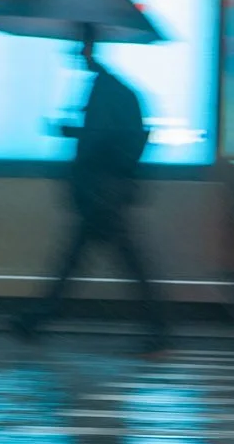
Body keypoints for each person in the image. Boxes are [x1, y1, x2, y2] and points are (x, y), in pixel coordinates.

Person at [13, 29, 169, 353]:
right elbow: (110, 137)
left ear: (88, 49)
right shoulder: (110, 87)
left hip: (101, 192)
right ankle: (37, 318)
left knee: (106, 263)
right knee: (89, 261)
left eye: (76, 48)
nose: (72, 56)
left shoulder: (105, 89)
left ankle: (159, 328)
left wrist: (69, 130)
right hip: (106, 190)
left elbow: (99, 140)